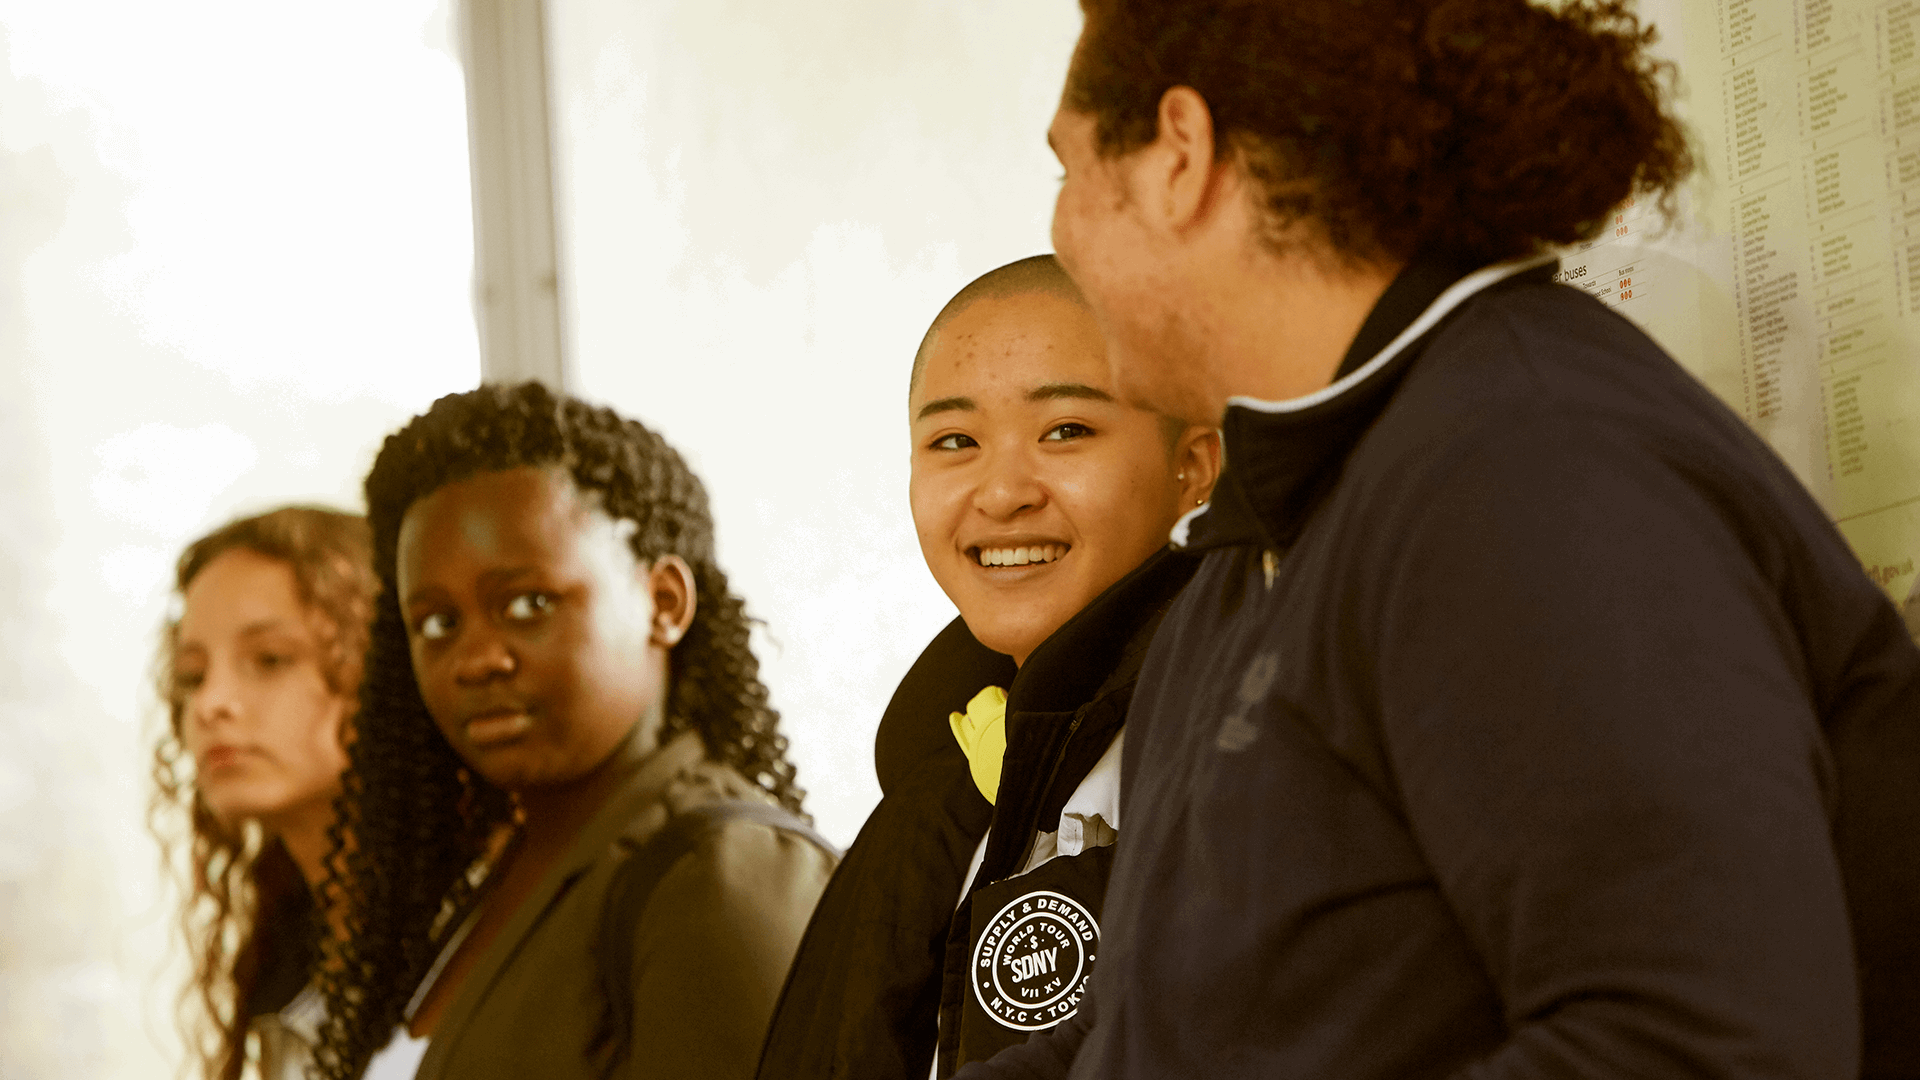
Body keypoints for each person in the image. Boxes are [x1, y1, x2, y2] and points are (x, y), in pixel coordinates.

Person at [959, 1, 1920, 1078]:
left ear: (1180, 157)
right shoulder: (1250, 557)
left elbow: (1698, 1041)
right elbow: (1166, 1037)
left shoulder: (1532, 469)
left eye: (1071, 176)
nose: (1060, 235)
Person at [756, 254, 1220, 1079]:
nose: (1002, 492)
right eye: (954, 441)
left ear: (1196, 465)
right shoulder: (946, 782)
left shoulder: (1242, 749)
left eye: (1066, 431)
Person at [309, 382, 837, 1080]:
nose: (476, 658)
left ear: (664, 602)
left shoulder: (719, 875)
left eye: (528, 604)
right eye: (437, 622)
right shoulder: (497, 874)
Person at [151, 506, 376, 1080]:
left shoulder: (483, 938)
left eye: (269, 660)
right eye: (193, 675)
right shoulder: (289, 950)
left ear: (376, 669)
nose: (211, 704)